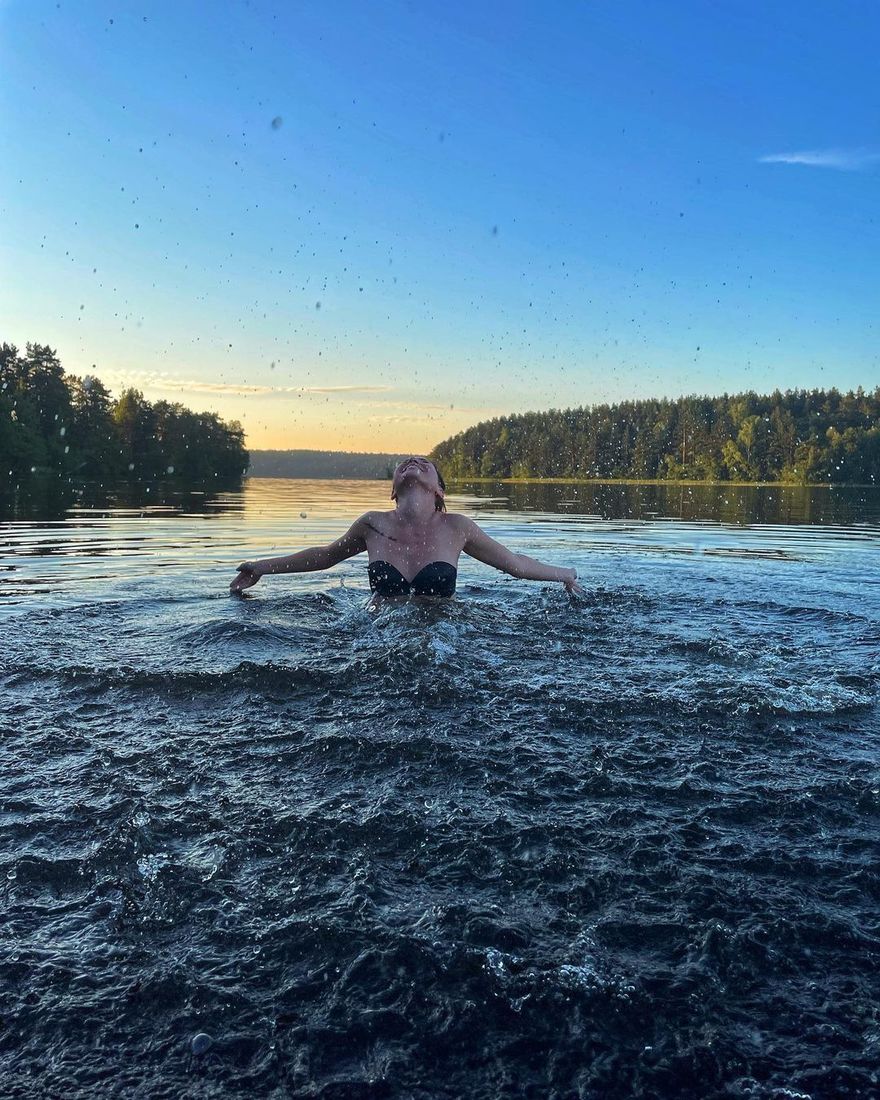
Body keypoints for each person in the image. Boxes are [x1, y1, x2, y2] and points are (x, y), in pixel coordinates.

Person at [229, 456, 584, 598]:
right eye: (404, 463)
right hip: (379, 638)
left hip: (441, 639)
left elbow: (515, 564)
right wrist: (261, 568)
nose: (413, 461)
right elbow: (323, 556)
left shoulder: (457, 527)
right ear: (393, 489)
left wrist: (565, 574)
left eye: (424, 463)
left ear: (440, 490)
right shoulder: (372, 524)